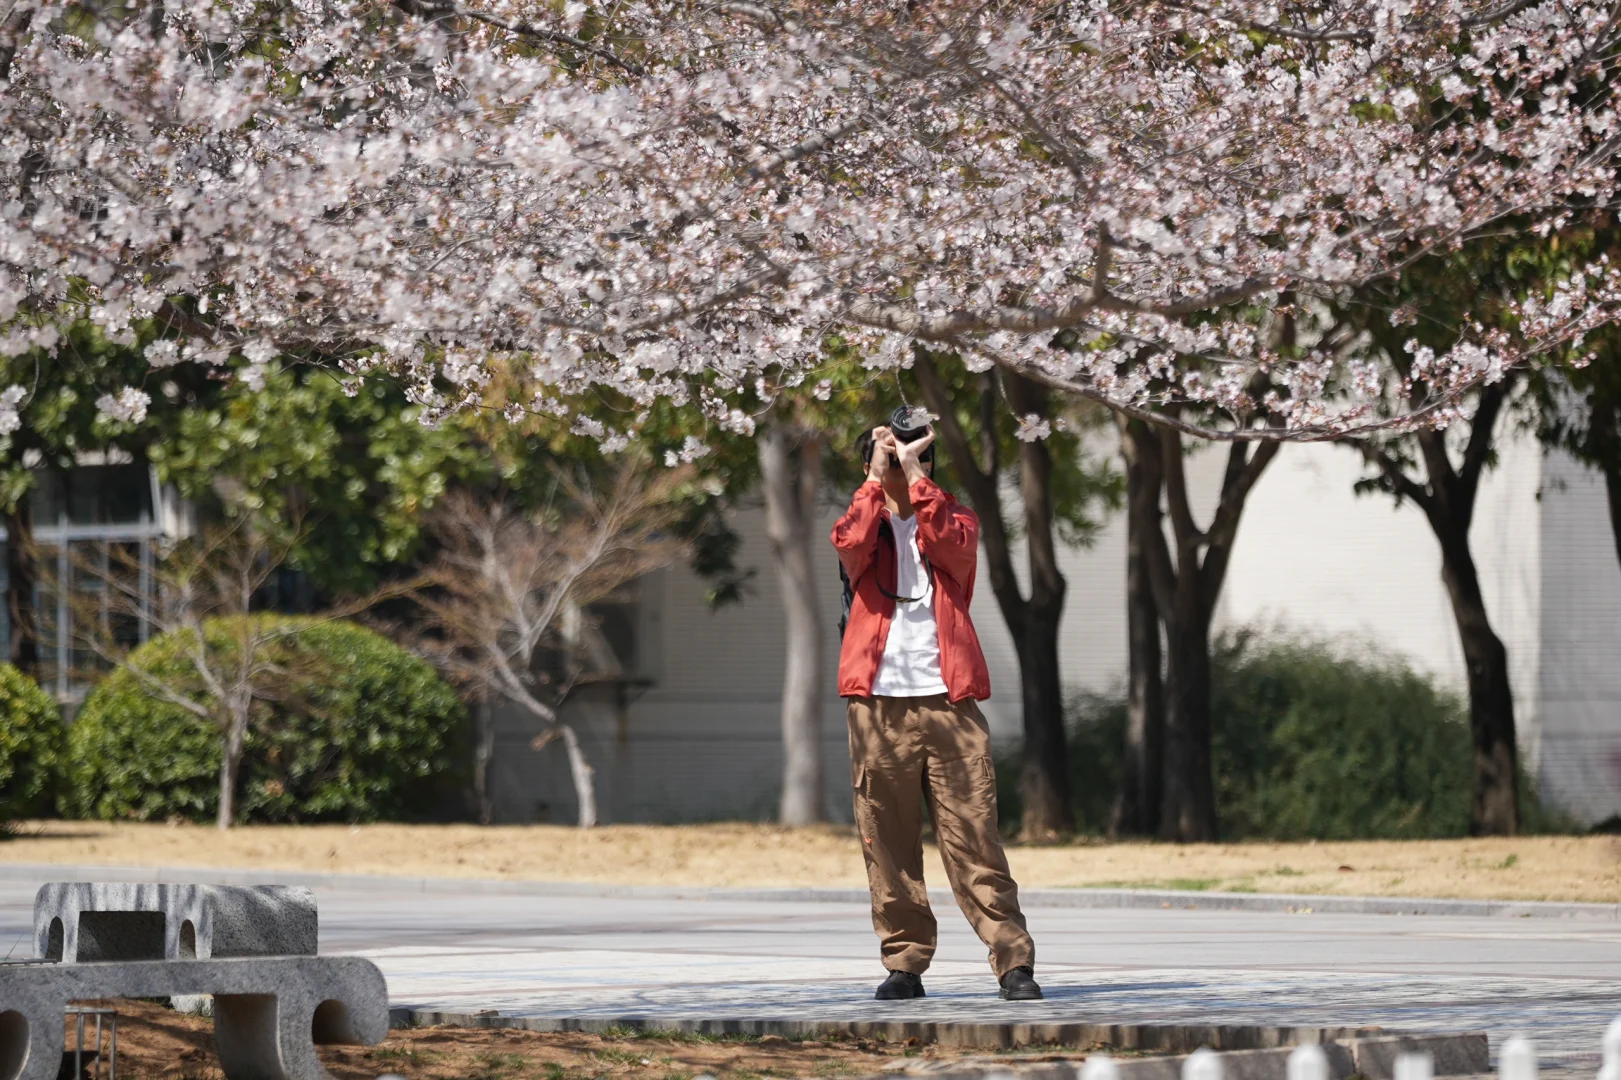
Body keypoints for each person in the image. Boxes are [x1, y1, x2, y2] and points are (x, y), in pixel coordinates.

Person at [830, 409, 1041, 1002]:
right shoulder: (862, 524)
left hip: (950, 702)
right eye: (885, 451)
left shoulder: (951, 519)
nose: (895, 457)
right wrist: (876, 477)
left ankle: (1012, 962)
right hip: (878, 707)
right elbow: (847, 542)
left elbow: (954, 543)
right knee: (887, 838)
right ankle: (904, 962)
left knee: (974, 835)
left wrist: (917, 476)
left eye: (904, 450)